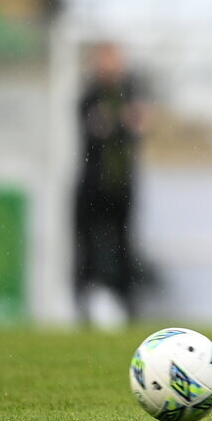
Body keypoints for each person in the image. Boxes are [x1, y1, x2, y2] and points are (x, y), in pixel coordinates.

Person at [73, 43, 147, 328]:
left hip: (122, 187)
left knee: (125, 249)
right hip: (91, 187)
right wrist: (124, 123)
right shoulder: (89, 96)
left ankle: (129, 309)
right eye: (104, 61)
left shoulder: (130, 92)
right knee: (87, 251)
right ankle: (84, 309)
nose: (109, 67)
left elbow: (137, 128)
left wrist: (124, 124)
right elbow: (98, 129)